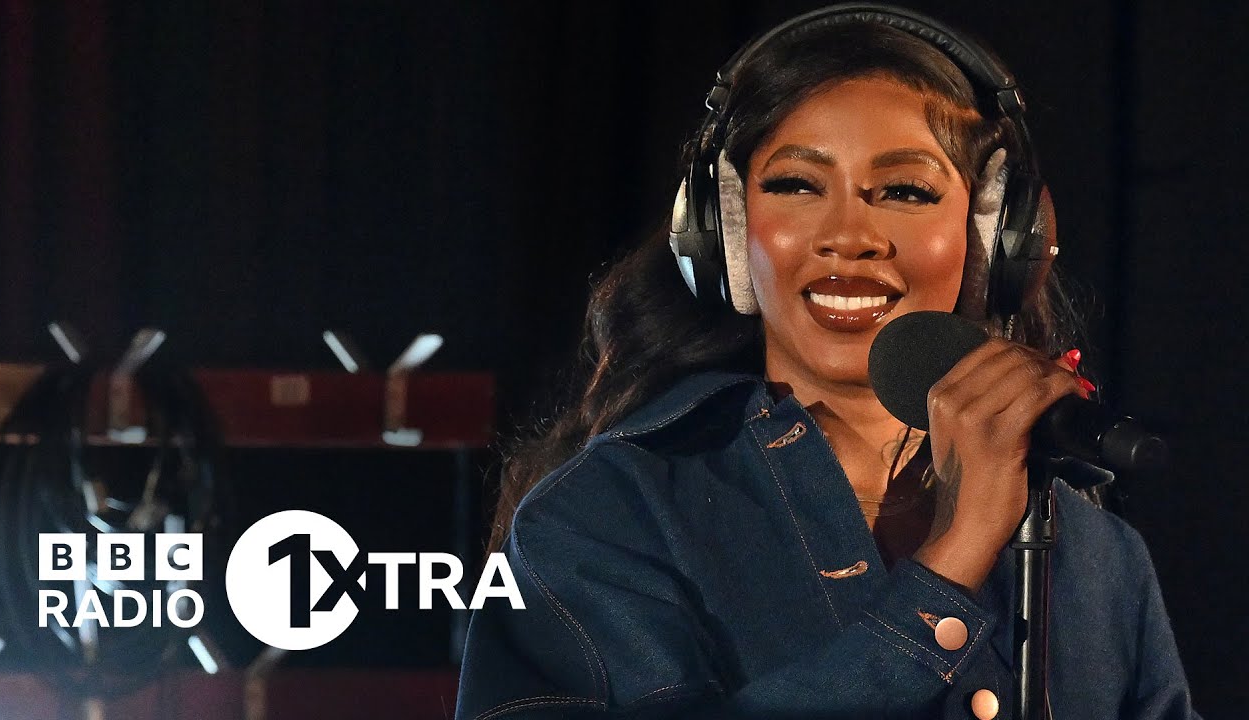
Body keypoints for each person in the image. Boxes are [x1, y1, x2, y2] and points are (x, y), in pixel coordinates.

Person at [455, 5, 1200, 719]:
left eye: (904, 190)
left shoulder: (1097, 558)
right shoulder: (607, 514)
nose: (848, 235)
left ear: (995, 241)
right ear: (726, 232)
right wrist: (952, 560)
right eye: (796, 185)